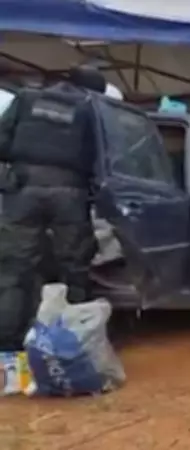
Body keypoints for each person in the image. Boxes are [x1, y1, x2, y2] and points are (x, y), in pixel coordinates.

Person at [0, 66, 106, 351]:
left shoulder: (26, 99)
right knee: (74, 267)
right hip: (70, 195)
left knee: (14, 269)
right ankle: (72, 342)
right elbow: (102, 158)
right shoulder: (90, 110)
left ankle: (7, 344)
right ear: (91, 90)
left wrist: (9, 176)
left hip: (22, 190)